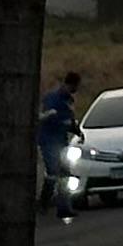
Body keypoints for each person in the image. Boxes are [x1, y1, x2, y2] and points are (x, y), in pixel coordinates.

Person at [39, 70, 85, 222]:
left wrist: (77, 131)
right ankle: (43, 203)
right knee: (53, 173)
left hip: (61, 140)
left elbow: (69, 121)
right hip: (49, 140)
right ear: (70, 84)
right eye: (75, 86)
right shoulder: (54, 98)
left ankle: (63, 207)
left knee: (63, 174)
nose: (76, 90)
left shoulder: (68, 100)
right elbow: (49, 118)